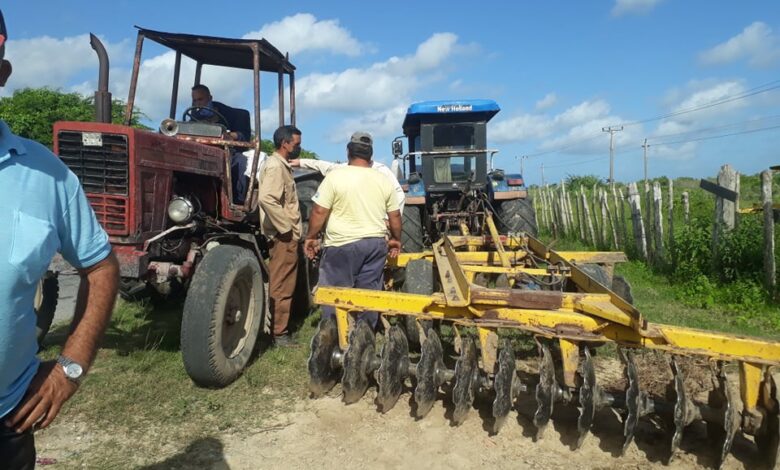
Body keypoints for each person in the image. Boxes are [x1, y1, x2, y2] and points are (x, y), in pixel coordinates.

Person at [0, 11, 120, 469]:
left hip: (8, 420)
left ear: (3, 72)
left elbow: (101, 266)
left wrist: (70, 366)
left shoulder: (47, 174)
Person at [303, 132, 401, 328]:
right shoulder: (383, 180)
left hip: (341, 245)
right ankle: (364, 339)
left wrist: (311, 237)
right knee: (369, 294)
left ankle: (334, 334)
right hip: (374, 245)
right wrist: (396, 239)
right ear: (371, 156)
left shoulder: (335, 177)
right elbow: (395, 216)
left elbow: (319, 210)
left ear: (348, 152)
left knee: (335, 292)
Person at [258, 125, 303, 346]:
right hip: (283, 236)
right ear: (285, 143)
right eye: (296, 144)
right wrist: (285, 229)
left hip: (283, 233)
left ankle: (277, 329)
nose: (298, 148)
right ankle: (279, 333)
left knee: (283, 281)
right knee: (282, 284)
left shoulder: (279, 164)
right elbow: (267, 198)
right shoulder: (276, 166)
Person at [190, 84, 252, 204]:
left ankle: (236, 200)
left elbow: (243, 135)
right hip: (200, 151)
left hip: (225, 152)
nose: (198, 103)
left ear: (210, 97)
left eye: (200, 99)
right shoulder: (193, 116)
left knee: (240, 162)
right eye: (195, 100)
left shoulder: (228, 113)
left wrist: (231, 135)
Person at [290, 155, 406, 215]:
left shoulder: (381, 170)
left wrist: (387, 220)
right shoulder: (343, 169)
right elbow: (326, 166)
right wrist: (301, 162)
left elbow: (398, 194)